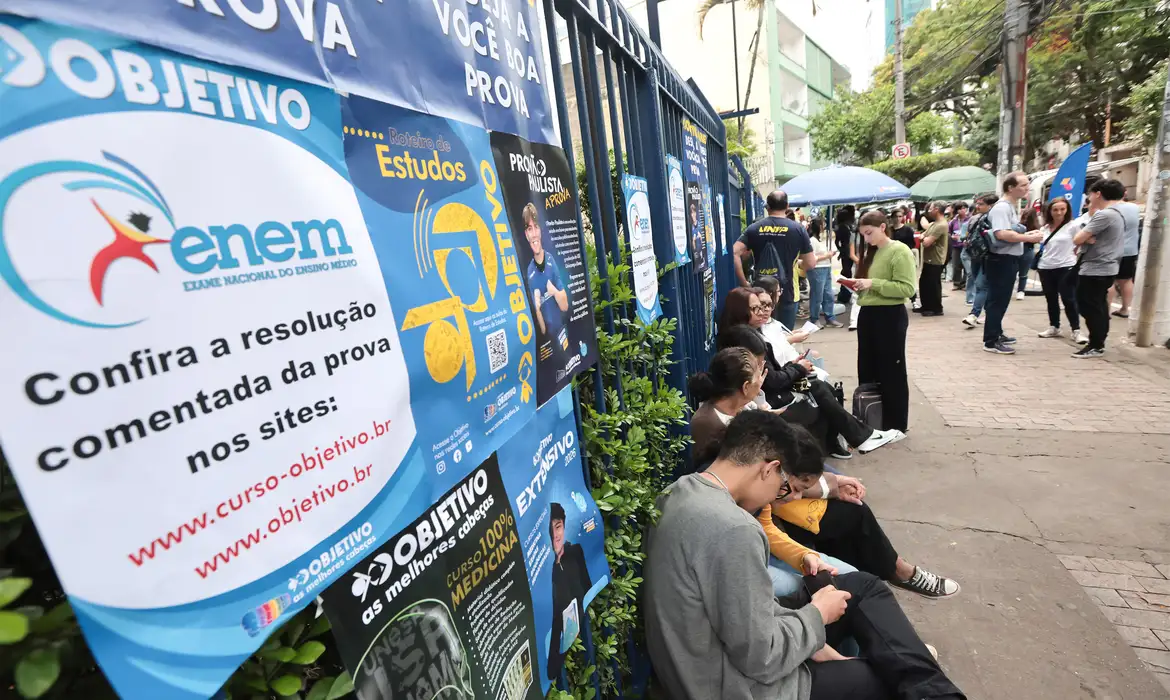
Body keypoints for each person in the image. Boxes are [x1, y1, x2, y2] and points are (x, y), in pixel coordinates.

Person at [644, 410, 968, 700]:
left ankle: (923, 679)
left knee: (863, 586)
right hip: (738, 686)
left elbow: (741, 611)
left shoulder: (677, 492)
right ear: (770, 469)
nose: (781, 496)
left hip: (709, 664)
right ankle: (919, 677)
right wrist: (816, 616)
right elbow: (761, 657)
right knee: (885, 679)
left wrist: (813, 639)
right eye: (783, 485)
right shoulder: (735, 529)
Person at [687, 358, 961, 601]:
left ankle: (882, 588)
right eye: (760, 372)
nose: (764, 377)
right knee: (845, 576)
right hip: (751, 566)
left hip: (762, 540)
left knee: (851, 571)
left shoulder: (747, 469)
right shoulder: (719, 493)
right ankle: (890, 581)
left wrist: (804, 554)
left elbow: (768, 517)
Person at [714, 318, 903, 459]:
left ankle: (846, 440)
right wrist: (796, 369)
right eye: (756, 307)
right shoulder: (743, 350)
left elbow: (769, 379)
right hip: (771, 403)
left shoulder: (760, 337)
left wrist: (793, 366)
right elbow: (769, 385)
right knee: (818, 392)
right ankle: (855, 438)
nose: (764, 310)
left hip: (770, 398)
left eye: (767, 304)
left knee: (823, 389)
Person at [839, 210, 915, 433]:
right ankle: (871, 418)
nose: (866, 238)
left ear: (883, 227)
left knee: (891, 370)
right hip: (868, 313)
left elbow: (907, 289)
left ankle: (895, 423)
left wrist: (873, 283)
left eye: (869, 233)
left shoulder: (899, 251)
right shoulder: (871, 252)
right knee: (867, 367)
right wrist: (857, 284)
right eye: (863, 234)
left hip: (890, 315)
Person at [982, 172, 1044, 355]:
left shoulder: (1009, 206)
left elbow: (1009, 232)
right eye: (1023, 185)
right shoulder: (1002, 208)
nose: (1027, 188)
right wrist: (1028, 238)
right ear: (1010, 187)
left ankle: (996, 333)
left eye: (1027, 185)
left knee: (1000, 300)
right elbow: (1001, 233)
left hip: (1006, 259)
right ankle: (991, 340)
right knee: (997, 300)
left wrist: (1027, 235)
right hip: (1001, 260)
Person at [735, 190, 816, 329]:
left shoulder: (754, 228)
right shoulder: (798, 229)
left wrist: (744, 283)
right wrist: (797, 263)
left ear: (767, 207)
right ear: (787, 206)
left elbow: (734, 252)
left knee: (761, 333)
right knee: (784, 334)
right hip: (788, 291)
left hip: (760, 292)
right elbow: (811, 263)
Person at [1072, 178, 1127, 358]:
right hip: (1105, 266)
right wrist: (1086, 238)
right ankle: (1098, 341)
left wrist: (1085, 237)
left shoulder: (1105, 215)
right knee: (1098, 305)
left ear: (1098, 194)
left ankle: (1096, 344)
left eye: (1090, 194)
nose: (1088, 198)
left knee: (1089, 305)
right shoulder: (1117, 213)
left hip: (1096, 267)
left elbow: (1077, 239)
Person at [547, 502, 592, 680]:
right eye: (551, 529)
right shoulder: (547, 573)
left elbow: (587, 588)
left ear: (564, 526)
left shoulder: (575, 552)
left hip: (581, 632)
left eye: (558, 527)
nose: (555, 534)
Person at [1035, 198, 1088, 343]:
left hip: (1066, 266)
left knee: (1069, 299)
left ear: (1067, 210)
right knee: (1051, 299)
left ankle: (1076, 330)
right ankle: (1054, 326)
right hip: (1045, 267)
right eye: (1055, 210)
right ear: (1050, 211)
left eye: (1062, 209)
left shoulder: (1073, 226)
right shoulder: (1045, 228)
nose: (1059, 213)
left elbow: (1082, 241)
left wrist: (1076, 253)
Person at [524, 203, 571, 356]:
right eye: (529, 229)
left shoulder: (551, 260)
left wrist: (554, 292)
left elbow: (565, 306)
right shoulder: (529, 272)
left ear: (540, 231)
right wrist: (537, 309)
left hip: (564, 335)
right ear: (526, 234)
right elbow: (543, 329)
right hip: (548, 346)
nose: (534, 234)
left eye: (536, 227)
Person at [961, 194, 997, 329]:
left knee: (982, 285)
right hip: (975, 255)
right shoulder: (976, 218)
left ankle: (974, 314)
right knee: (979, 284)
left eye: (981, 204)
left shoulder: (995, 219)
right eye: (977, 203)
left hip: (987, 256)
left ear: (990, 205)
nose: (978, 206)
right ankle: (986, 312)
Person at [1108, 193, 1141, 318]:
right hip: (1130, 250)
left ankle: (1106, 310)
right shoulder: (1134, 207)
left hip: (1112, 249)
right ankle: (1125, 309)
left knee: (1109, 281)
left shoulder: (1109, 209)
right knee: (1126, 280)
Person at [808, 218, 842, 327]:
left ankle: (830, 317)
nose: (824, 227)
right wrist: (826, 256)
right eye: (823, 225)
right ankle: (814, 319)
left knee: (828, 294)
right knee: (817, 295)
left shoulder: (824, 239)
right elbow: (812, 257)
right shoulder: (812, 240)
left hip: (826, 267)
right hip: (817, 268)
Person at [918, 202, 949, 317]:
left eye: (930, 209)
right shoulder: (933, 224)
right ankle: (926, 305)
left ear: (937, 209)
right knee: (924, 283)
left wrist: (924, 238)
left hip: (936, 259)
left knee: (933, 284)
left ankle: (935, 308)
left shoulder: (941, 225)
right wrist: (924, 238)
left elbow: (926, 242)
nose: (928, 211)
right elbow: (923, 235)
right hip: (929, 259)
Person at [1015, 208, 1040, 300]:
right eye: (1024, 215)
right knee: (1013, 272)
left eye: (1027, 216)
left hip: (1027, 250)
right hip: (1018, 250)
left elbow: (1037, 239)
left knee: (1023, 273)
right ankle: (1019, 291)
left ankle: (1021, 291)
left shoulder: (1036, 227)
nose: (1025, 218)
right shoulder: (1019, 225)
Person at [949, 202, 969, 290]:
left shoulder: (970, 219)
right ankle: (956, 283)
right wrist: (952, 236)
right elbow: (949, 232)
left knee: (966, 265)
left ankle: (964, 283)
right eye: (960, 208)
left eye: (964, 208)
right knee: (956, 265)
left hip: (966, 245)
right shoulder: (953, 221)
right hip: (956, 245)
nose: (962, 210)